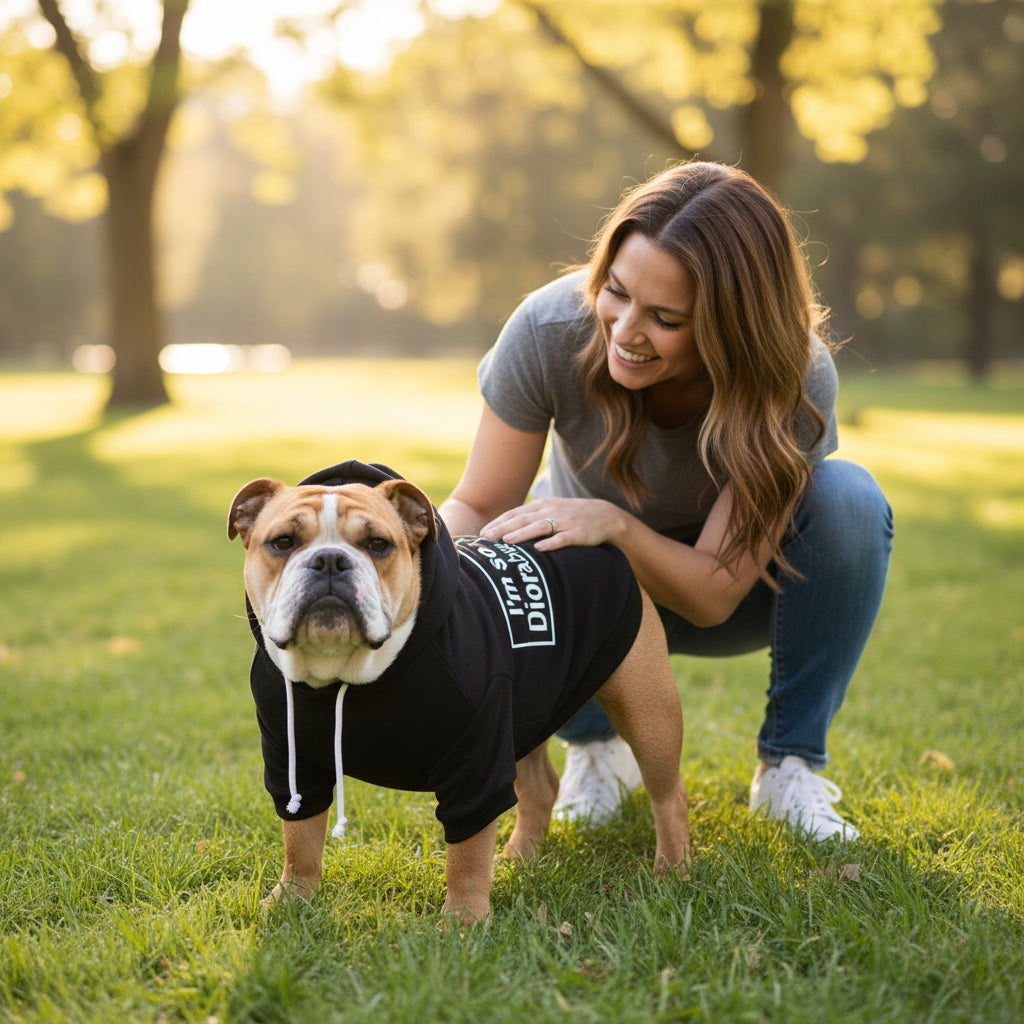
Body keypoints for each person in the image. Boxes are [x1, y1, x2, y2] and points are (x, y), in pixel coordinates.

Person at [438, 161, 892, 842]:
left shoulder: (791, 376)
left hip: (727, 595)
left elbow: (713, 593)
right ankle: (598, 748)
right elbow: (478, 503)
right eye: (616, 292)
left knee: (849, 496)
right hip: (586, 605)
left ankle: (789, 766)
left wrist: (613, 525)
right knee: (515, 541)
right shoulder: (549, 328)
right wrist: (419, 577)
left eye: (667, 318)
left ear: (734, 325)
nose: (625, 330)